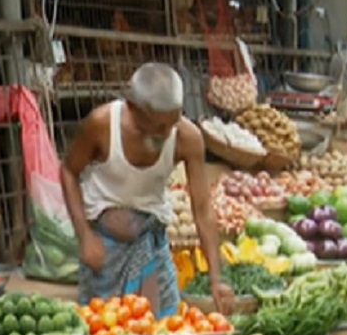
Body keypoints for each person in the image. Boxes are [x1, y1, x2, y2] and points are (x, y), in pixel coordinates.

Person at [61, 63, 234, 319]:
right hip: (104, 248)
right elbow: (68, 171)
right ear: (133, 109)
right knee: (104, 329)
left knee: (162, 329)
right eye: (158, 126)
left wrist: (216, 279)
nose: (166, 133)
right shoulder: (103, 125)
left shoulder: (187, 137)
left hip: (151, 244)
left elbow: (202, 209)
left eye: (172, 122)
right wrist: (85, 236)